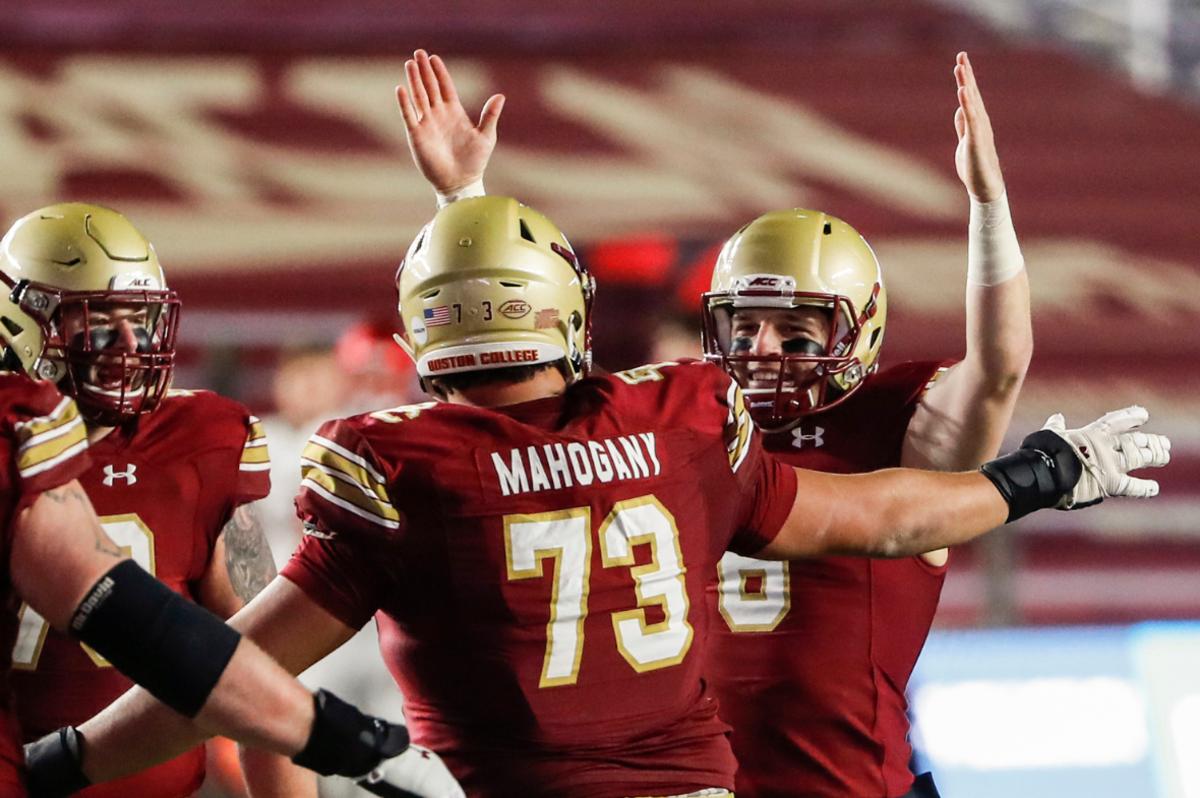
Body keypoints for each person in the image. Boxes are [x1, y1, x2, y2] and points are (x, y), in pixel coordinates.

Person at [41, 192, 1168, 798]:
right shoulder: (673, 424)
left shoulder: (404, 463)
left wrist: (73, 760)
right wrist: (1035, 477)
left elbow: (227, 673)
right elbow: (885, 515)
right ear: (566, 312)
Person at [398, 48, 1032, 797]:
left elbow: (998, 366)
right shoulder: (669, 421)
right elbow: (502, 403)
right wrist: (462, 199)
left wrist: (988, 207)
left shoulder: (890, 427)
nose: (762, 354)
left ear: (855, 335)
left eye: (795, 336)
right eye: (744, 330)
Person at [2, 206, 461, 798]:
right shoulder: (13, 440)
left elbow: (252, 664)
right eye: (96, 323)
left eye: (140, 321)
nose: (127, 345)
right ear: (22, 324)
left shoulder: (198, 442)